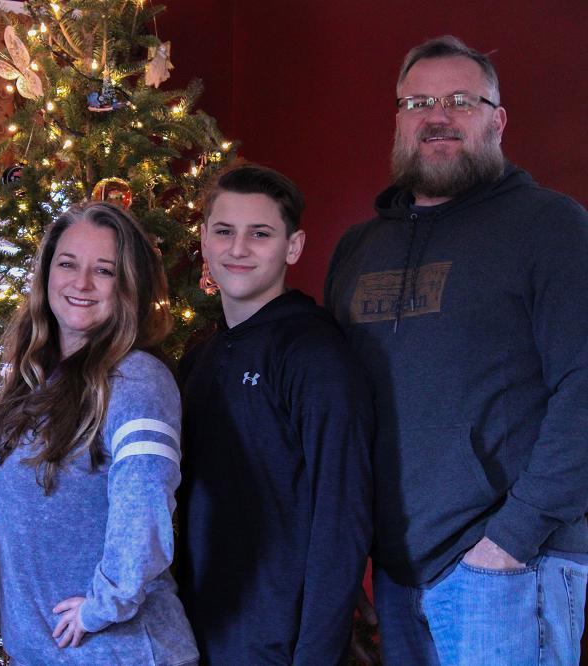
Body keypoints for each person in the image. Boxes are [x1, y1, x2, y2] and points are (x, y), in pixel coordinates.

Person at [325, 35, 588, 665]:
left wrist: (509, 543)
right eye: (418, 101)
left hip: (512, 567)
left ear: (498, 120)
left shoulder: (552, 226)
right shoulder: (358, 250)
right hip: (394, 574)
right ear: (398, 119)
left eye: (460, 100)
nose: (436, 115)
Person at [0, 202, 199, 665]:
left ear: (130, 286)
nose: (81, 283)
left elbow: (146, 501)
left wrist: (103, 605)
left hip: (124, 653)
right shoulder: (30, 385)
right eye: (67, 264)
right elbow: (6, 519)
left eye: (104, 271)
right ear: (47, 275)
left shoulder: (137, 380)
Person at [176, 164, 374, 665]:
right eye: (224, 231)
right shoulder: (199, 359)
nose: (238, 249)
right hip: (191, 634)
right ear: (204, 240)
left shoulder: (313, 354)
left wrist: (315, 656)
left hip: (276, 644)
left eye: (259, 234)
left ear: (293, 246)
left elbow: (342, 515)